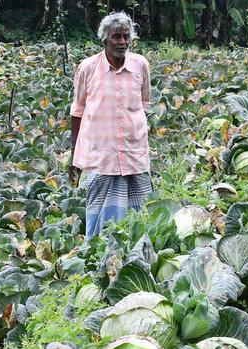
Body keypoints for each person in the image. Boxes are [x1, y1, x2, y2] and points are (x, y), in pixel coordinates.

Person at [68, 12, 152, 239]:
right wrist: (74, 155)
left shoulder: (141, 65)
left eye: (126, 36)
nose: (122, 42)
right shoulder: (88, 68)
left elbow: (143, 105)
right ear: (104, 39)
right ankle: (97, 255)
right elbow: (77, 112)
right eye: (116, 36)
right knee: (98, 221)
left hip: (134, 154)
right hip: (101, 157)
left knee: (142, 213)